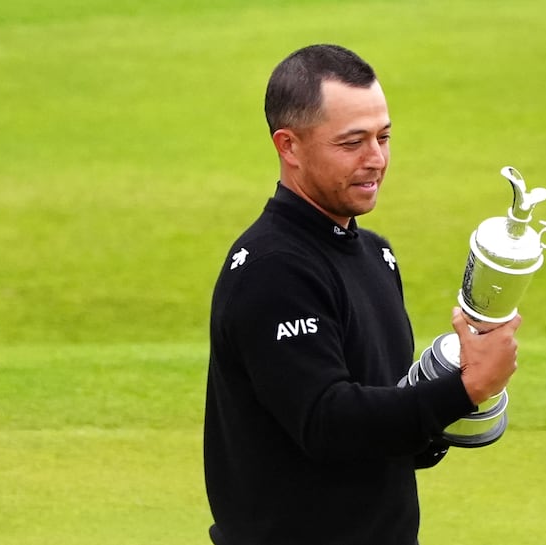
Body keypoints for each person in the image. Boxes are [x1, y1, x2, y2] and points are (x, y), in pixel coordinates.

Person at [203, 44, 521, 545]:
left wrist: (447, 397)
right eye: (352, 143)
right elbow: (328, 423)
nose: (376, 159)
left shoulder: (375, 256)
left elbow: (385, 429)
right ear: (289, 146)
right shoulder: (273, 269)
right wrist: (464, 390)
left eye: (384, 137)